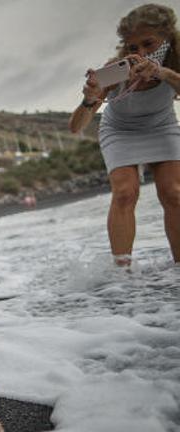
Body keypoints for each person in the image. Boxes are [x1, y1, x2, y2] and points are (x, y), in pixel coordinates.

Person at [69, 3, 180, 266]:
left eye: (148, 44)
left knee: (175, 192)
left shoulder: (175, 61)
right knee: (125, 192)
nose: (140, 53)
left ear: (167, 39)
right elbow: (76, 127)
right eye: (133, 47)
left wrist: (162, 73)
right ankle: (121, 275)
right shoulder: (115, 70)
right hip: (120, 130)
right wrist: (89, 99)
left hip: (161, 126)